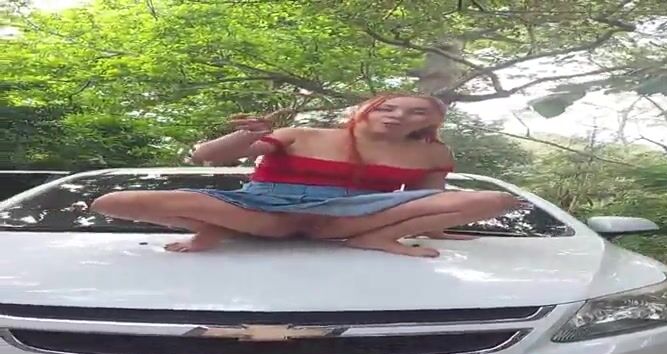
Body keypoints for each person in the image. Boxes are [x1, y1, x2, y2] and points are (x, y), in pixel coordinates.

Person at [91, 93, 521, 257]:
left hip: (354, 218)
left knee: (494, 199)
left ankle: (377, 240)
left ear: (431, 121)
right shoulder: (302, 133)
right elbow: (205, 156)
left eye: (416, 112)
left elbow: (431, 197)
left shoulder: (433, 152)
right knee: (113, 201)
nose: (398, 116)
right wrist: (246, 135)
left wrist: (441, 225)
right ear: (365, 111)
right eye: (387, 107)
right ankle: (220, 227)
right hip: (262, 209)